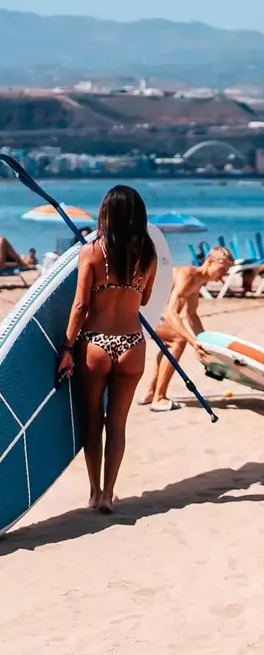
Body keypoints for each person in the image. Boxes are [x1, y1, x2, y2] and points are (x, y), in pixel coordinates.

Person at [56, 186, 158, 514]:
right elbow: (144, 299)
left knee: (92, 422)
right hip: (132, 344)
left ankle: (93, 490)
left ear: (105, 213)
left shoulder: (91, 251)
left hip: (96, 344)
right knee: (117, 423)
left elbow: (81, 304)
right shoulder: (149, 253)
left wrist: (67, 345)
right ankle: (109, 495)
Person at [138, 247, 235, 412]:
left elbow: (191, 315)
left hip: (147, 314)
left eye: (227, 270)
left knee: (170, 342)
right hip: (138, 312)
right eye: (222, 268)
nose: (224, 274)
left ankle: (150, 392)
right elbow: (171, 312)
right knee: (178, 340)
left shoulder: (198, 282)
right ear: (210, 262)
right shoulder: (187, 275)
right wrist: (191, 341)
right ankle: (159, 398)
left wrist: (203, 342)